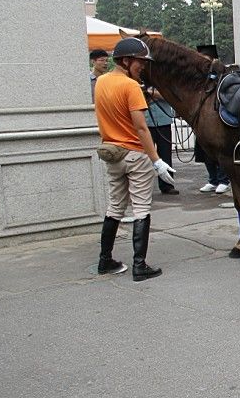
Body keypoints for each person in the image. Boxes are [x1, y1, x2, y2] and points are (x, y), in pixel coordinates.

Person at [93, 37, 176, 281]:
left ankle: (104, 260)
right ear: (126, 61)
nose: (142, 67)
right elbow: (141, 128)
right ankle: (139, 265)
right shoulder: (130, 87)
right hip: (134, 154)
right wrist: (156, 160)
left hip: (112, 153)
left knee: (115, 207)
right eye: (140, 62)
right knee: (141, 209)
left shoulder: (101, 82)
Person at [195, 44, 231, 194]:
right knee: (205, 151)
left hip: (216, 117)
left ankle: (224, 180)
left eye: (206, 58)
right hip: (201, 118)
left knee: (219, 151)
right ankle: (212, 180)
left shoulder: (221, 72)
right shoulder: (197, 74)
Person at [145, 86, 179, 195]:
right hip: (145, 123)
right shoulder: (137, 79)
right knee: (144, 156)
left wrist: (152, 93)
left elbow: (170, 96)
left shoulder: (160, 80)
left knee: (165, 154)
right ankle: (143, 187)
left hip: (163, 120)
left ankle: (167, 185)